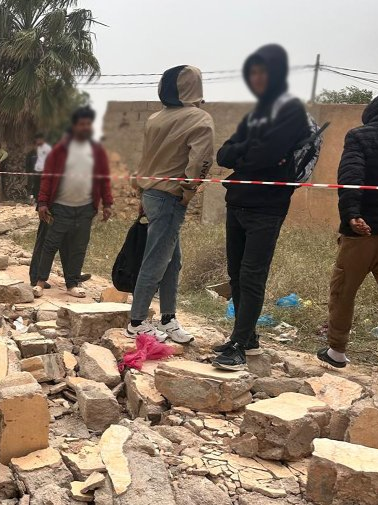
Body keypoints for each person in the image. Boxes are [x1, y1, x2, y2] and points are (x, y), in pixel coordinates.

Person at [212, 44, 312, 371]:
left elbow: (265, 155)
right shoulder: (255, 114)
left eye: (263, 71)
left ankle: (239, 345)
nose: (256, 78)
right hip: (237, 201)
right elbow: (223, 154)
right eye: (252, 72)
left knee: (252, 276)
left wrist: (245, 153)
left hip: (267, 207)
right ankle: (248, 336)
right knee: (236, 275)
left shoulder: (291, 110)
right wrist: (250, 150)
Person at [125, 65, 215, 343]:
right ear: (195, 86)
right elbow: (201, 161)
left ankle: (167, 318)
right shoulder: (199, 118)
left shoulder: (155, 118)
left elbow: (147, 158)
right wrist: (189, 191)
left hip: (151, 193)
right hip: (170, 197)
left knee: (172, 261)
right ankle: (137, 321)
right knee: (156, 260)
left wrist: (143, 192)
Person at [318, 97, 378, 368]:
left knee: (343, 291)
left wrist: (352, 215)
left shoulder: (359, 136)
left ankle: (337, 351)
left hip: (362, 232)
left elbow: (351, 177)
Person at [30, 107, 113, 299]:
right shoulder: (59, 151)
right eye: (81, 124)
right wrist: (42, 202)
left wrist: (107, 203)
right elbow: (47, 177)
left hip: (85, 209)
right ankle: (40, 283)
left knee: (78, 248)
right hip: (60, 208)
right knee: (50, 245)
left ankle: (72, 284)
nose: (85, 127)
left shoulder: (97, 152)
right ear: (74, 126)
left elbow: (104, 179)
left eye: (88, 124)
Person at [32, 134, 52, 201]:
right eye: (36, 140)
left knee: (43, 185)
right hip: (37, 169)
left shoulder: (48, 148)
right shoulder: (38, 147)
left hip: (44, 170)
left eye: (38, 140)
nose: (37, 141)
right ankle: (36, 199)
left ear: (41, 139)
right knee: (36, 185)